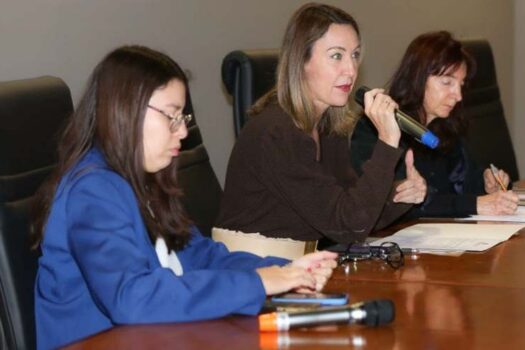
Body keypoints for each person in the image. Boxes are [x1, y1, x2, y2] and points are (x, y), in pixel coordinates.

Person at [32, 45, 338, 350]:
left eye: (183, 117)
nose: (182, 132)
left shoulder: (146, 179)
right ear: (125, 109)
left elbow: (201, 257)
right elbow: (132, 298)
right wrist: (259, 282)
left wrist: (287, 270)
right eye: (171, 116)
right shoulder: (93, 189)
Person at [214, 3, 427, 257]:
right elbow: (349, 226)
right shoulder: (277, 133)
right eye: (337, 56)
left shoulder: (328, 130)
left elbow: (352, 214)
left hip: (299, 265)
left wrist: (401, 195)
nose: (350, 70)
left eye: (355, 55)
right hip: (251, 271)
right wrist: (387, 142)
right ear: (302, 60)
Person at [351, 31, 519, 219]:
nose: (458, 96)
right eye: (447, 82)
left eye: (461, 84)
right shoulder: (376, 125)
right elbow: (395, 201)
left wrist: (487, 183)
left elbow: (463, 179)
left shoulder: (445, 124)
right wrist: (475, 204)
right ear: (418, 78)